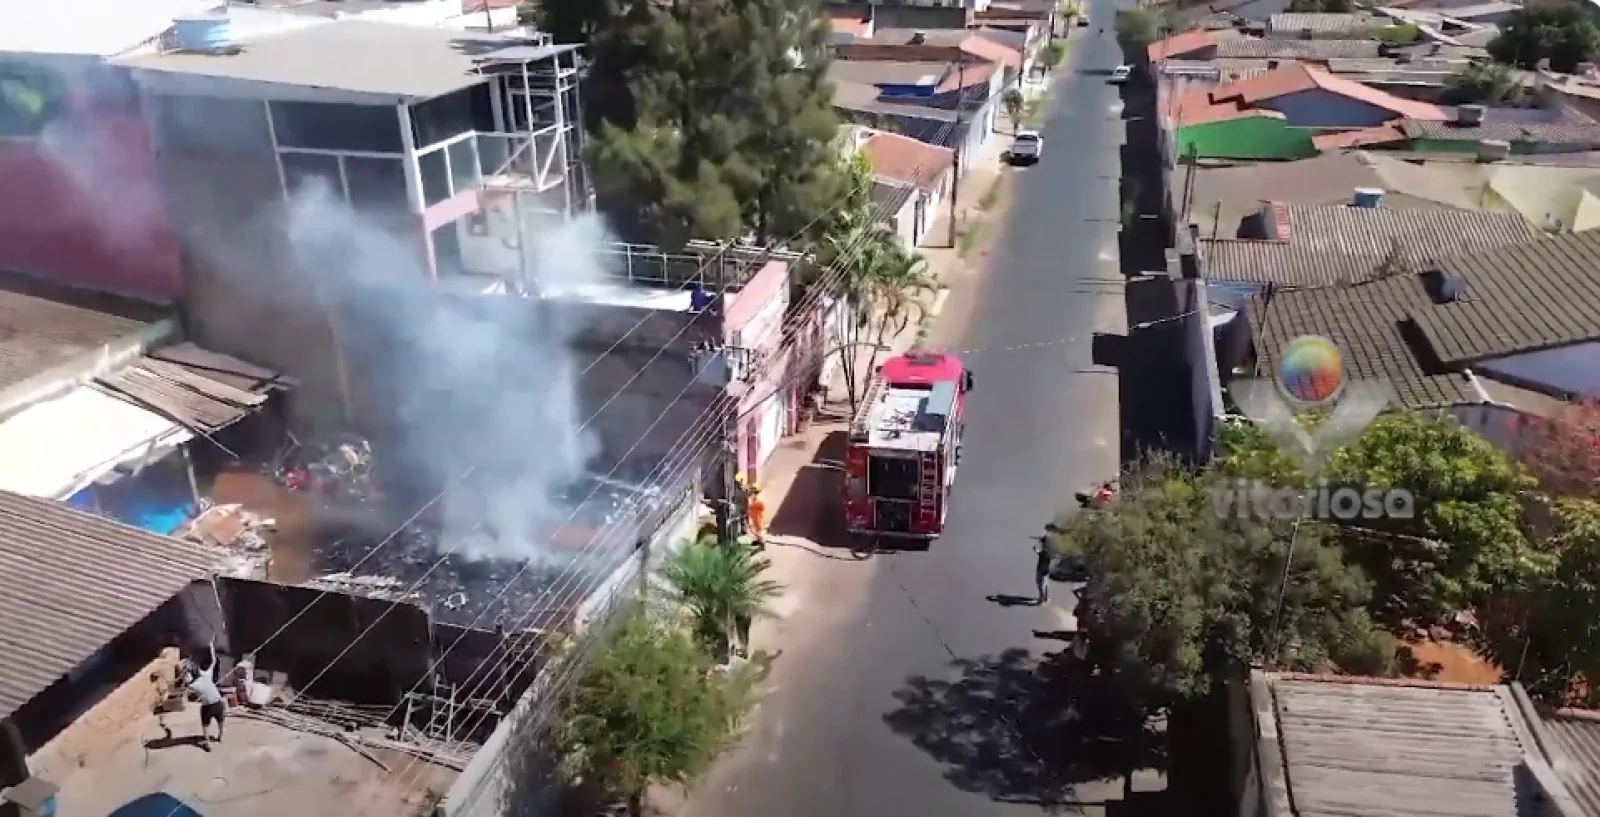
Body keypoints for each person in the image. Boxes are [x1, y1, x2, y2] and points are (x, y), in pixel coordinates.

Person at [184, 642, 227, 742]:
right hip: (218, 703)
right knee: (221, 722)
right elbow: (214, 661)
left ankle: (207, 742)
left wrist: (186, 670)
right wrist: (212, 648)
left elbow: (186, 681)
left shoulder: (193, 685)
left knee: (205, 726)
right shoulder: (207, 675)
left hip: (208, 707)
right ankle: (220, 736)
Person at [746, 485, 768, 551]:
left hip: (757, 518)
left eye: (752, 492)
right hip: (753, 517)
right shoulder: (752, 500)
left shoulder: (758, 501)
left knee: (758, 531)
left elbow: (762, 508)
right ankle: (758, 541)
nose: (751, 494)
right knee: (754, 530)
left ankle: (762, 543)